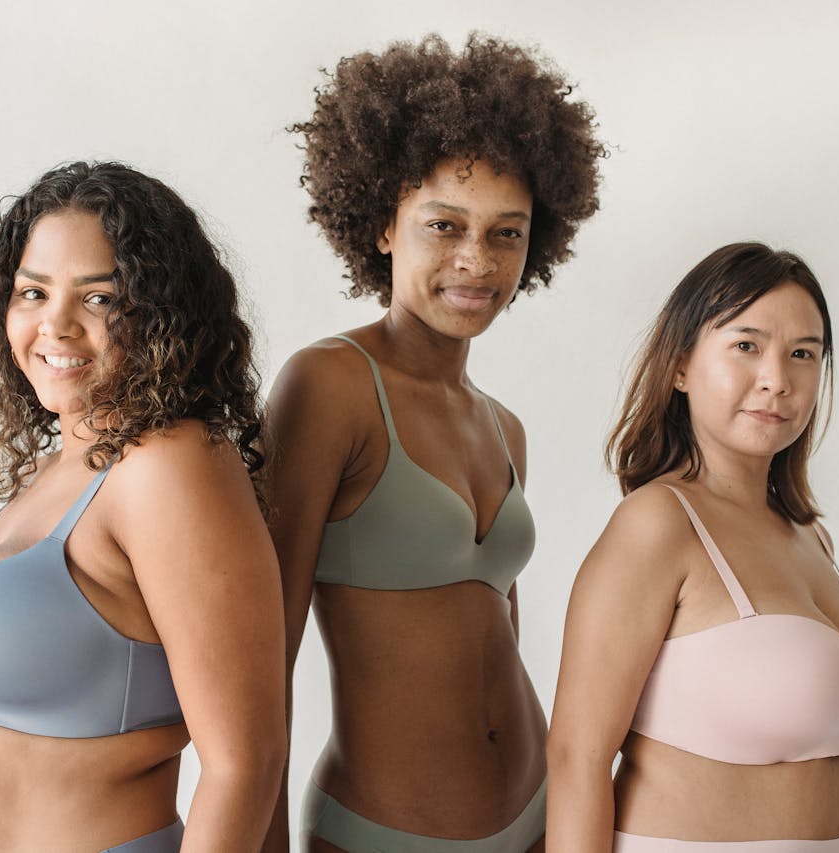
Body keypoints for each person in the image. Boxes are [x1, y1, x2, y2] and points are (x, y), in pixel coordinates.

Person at [262, 33, 605, 853]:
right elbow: (258, 652)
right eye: (444, 225)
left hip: (538, 811)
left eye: (506, 233)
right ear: (383, 224)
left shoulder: (502, 424)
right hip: (384, 831)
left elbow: (499, 631)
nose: (475, 261)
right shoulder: (329, 386)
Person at [0, 162, 286, 852]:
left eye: (99, 298)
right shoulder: (53, 471)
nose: (56, 324)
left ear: (159, 312)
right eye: (32, 292)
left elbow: (242, 764)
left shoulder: (171, 464)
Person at [546, 243, 839, 852]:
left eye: (803, 355)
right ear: (681, 366)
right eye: (746, 345)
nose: (777, 380)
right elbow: (575, 757)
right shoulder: (658, 524)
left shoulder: (808, 534)